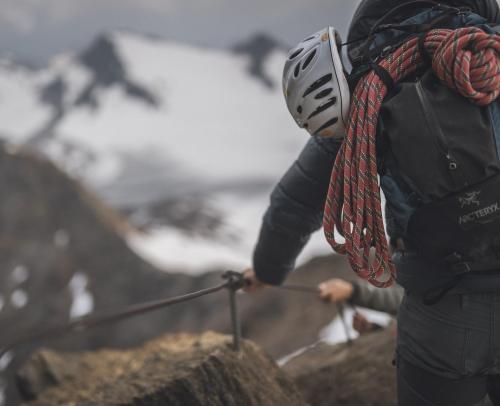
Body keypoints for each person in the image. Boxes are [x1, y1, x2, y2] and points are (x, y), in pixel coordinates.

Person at [244, 1, 500, 405]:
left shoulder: (365, 85)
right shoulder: (492, 50)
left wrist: (267, 269)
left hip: (441, 312)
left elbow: (295, 203)